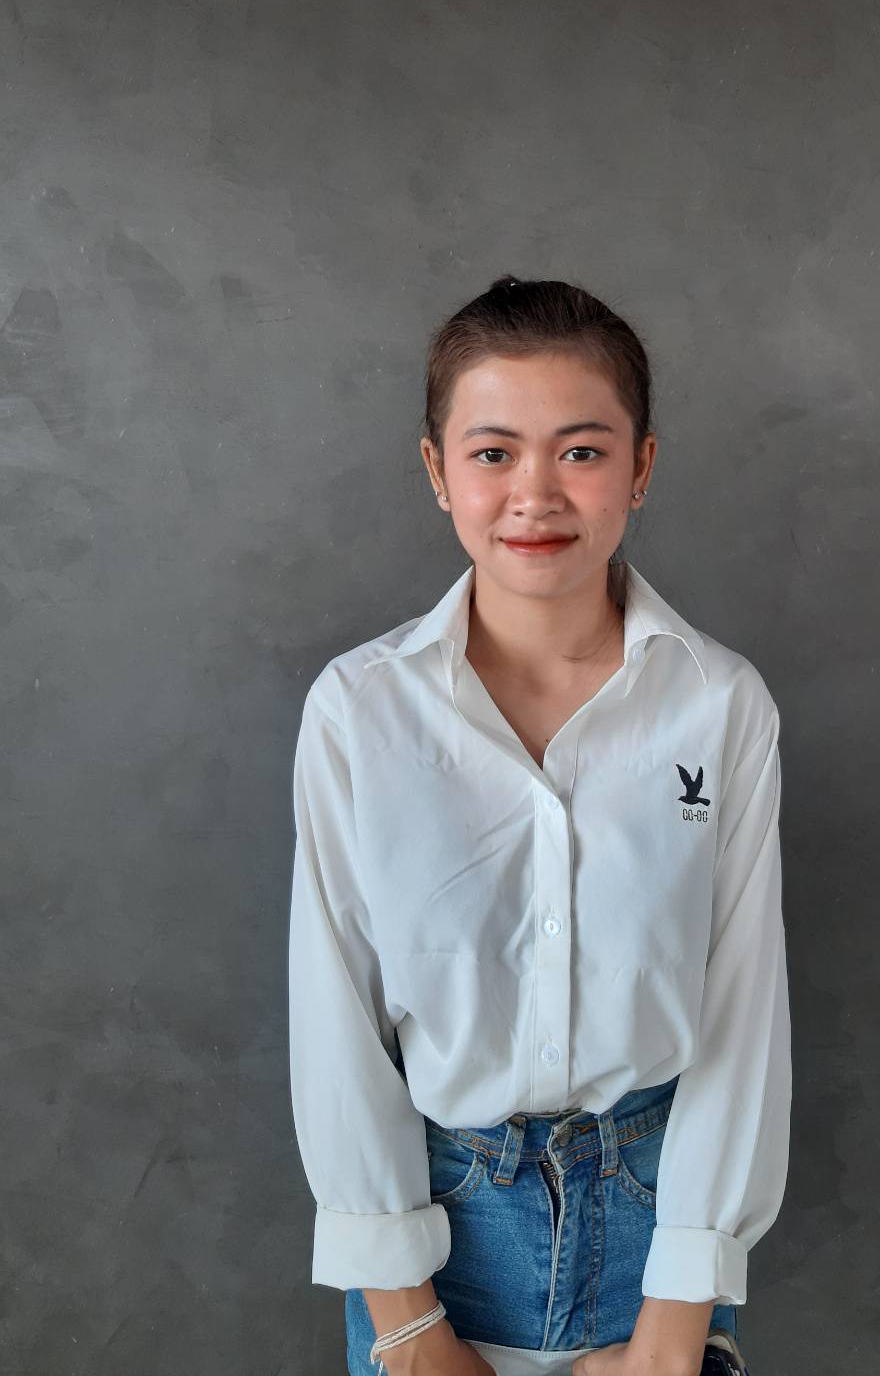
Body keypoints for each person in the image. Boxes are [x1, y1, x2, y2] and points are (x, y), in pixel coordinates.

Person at [288, 276, 791, 1376]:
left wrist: (673, 1330)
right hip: (437, 1242)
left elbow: (743, 1011)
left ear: (640, 467)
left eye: (581, 450)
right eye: (492, 452)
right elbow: (336, 1017)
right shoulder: (360, 710)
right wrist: (410, 1328)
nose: (536, 494)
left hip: (658, 1236)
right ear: (437, 471)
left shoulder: (720, 704)